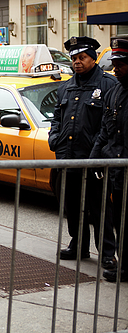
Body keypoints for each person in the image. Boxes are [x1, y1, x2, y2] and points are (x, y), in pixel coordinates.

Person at [48, 36, 117, 269]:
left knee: (99, 210)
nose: (77, 62)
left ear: (93, 58)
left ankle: (107, 253)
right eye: (74, 58)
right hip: (68, 157)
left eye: (82, 57)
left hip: (94, 161)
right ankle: (78, 245)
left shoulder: (108, 85)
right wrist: (54, 138)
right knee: (72, 205)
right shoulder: (66, 86)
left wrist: (97, 154)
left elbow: (108, 126)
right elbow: (57, 117)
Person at [90, 37, 128, 282]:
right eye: (114, 62)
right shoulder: (115, 91)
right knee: (121, 221)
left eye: (121, 63)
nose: (115, 68)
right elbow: (106, 129)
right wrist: (94, 156)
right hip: (117, 168)